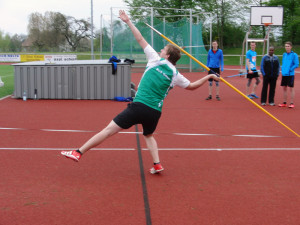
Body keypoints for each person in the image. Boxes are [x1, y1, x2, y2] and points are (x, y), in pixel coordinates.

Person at [61, 10, 220, 174]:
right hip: (154, 112)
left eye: (163, 49)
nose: (160, 50)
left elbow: (140, 38)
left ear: (167, 56)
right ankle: (157, 164)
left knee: (108, 130)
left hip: (139, 107)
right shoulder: (175, 75)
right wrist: (208, 76)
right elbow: (192, 86)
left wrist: (128, 21)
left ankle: (78, 152)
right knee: (149, 135)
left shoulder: (155, 59)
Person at [278, 41, 299, 108]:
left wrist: (290, 69)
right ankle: (284, 102)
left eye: (288, 46)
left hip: (290, 74)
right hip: (284, 74)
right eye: (286, 46)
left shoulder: (294, 55)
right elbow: (284, 63)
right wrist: (283, 69)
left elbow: (296, 64)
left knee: (291, 88)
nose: (287, 47)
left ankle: (291, 103)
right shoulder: (284, 54)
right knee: (284, 88)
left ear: (291, 47)